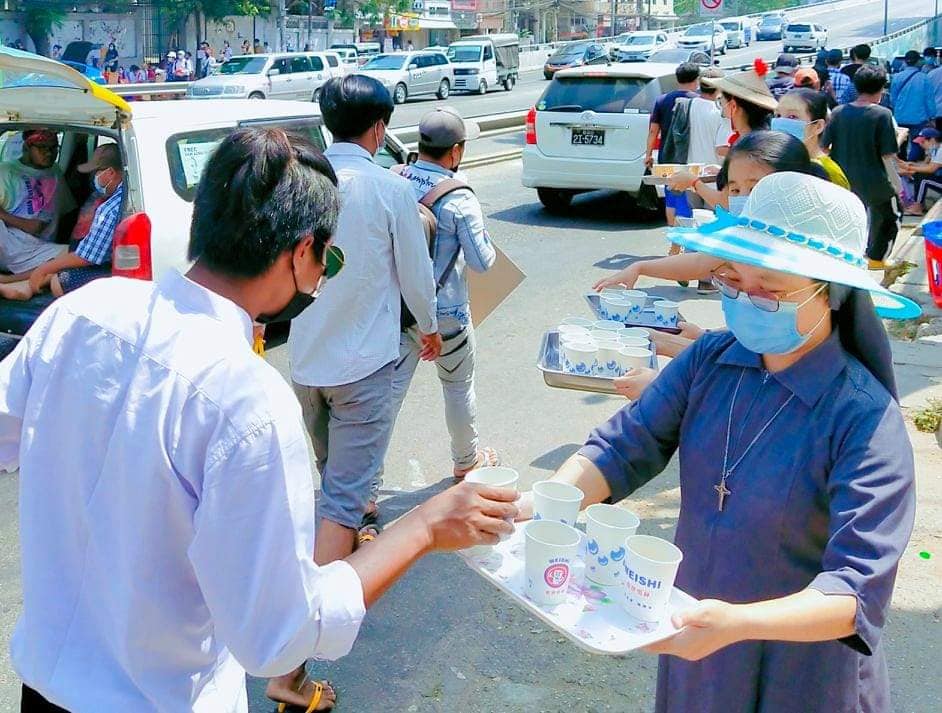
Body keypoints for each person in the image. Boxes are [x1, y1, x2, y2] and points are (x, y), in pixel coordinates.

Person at [0, 126, 518, 712]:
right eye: (328, 257)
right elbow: (278, 638)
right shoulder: (246, 400)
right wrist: (422, 528)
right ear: (300, 252)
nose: (323, 276)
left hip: (42, 688)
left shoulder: (83, 313)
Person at [524, 170, 918, 713]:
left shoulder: (863, 417)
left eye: (770, 292)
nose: (747, 299)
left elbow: (856, 589)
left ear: (830, 295)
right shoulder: (710, 360)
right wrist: (540, 505)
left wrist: (735, 623)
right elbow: (622, 447)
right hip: (699, 648)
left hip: (804, 668)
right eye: (735, 282)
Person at [284, 77, 441, 702]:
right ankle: (300, 656)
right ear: (379, 129)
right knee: (344, 496)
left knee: (332, 478)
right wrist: (429, 330)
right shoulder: (388, 187)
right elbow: (416, 273)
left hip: (306, 362)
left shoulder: (303, 182)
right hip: (365, 366)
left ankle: (341, 550)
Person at [596, 131, 827, 398]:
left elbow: (761, 366)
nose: (743, 197)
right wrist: (702, 337)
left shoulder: (797, 261)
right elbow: (701, 265)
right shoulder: (750, 239)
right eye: (735, 188)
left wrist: (664, 380)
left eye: (755, 187)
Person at [382, 106, 498, 490]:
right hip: (445, 314)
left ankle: (365, 484)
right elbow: (483, 264)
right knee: (458, 387)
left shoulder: (395, 178)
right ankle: (467, 463)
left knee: (387, 400)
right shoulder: (459, 198)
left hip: (397, 311)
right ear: (456, 151)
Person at [0, 144, 124, 302]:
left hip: (108, 267)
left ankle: (20, 285)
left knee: (61, 279)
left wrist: (44, 269)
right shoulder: (123, 195)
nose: (94, 177)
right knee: (66, 261)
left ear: (111, 172)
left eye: (96, 172)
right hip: (13, 245)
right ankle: (22, 285)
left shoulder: (109, 209)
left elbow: (86, 257)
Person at [822, 65, 901, 269]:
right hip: (876, 183)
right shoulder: (882, 114)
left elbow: (824, 148)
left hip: (844, 181)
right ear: (881, 89)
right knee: (891, 217)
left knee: (847, 222)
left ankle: (845, 257)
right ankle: (876, 258)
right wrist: (897, 184)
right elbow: (887, 155)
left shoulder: (838, 112)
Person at [668, 61, 776, 211]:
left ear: (733, 107)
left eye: (722, 102)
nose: (721, 109)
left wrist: (693, 182)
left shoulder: (746, 148)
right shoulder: (764, 141)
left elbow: (726, 203)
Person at [0, 129, 75, 275]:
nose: (49, 153)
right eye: (42, 147)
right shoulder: (6, 171)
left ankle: (9, 283)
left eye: (53, 148)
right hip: (8, 244)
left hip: (38, 249)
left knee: (78, 255)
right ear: (26, 147)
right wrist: (24, 224)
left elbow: (67, 212)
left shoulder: (55, 171)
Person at [645, 62, 701, 241]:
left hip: (666, 156)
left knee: (671, 197)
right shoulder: (698, 100)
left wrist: (648, 155)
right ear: (696, 79)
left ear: (677, 79)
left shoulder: (662, 100)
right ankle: (688, 238)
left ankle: (673, 236)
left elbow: (653, 130)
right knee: (688, 195)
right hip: (690, 156)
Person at [772, 88, 850, 189]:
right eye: (778, 115)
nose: (781, 122)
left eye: (792, 116)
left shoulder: (830, 173)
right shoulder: (774, 163)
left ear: (818, 126)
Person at [890, 50, 936, 161]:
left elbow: (893, 98)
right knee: (917, 144)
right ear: (918, 62)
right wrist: (932, 117)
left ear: (905, 62)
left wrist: (897, 110)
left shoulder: (896, 77)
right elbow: (929, 100)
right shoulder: (924, 78)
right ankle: (912, 167)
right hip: (918, 118)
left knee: (900, 144)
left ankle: (901, 166)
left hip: (900, 117)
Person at [687, 68, 730, 170]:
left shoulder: (687, 107)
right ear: (720, 86)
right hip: (714, 175)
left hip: (690, 175)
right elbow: (722, 149)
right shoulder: (722, 112)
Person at [898, 127, 942, 215]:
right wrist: (909, 165)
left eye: (923, 142)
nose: (921, 145)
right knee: (919, 175)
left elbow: (931, 169)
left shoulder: (941, 150)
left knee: (924, 179)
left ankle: (918, 206)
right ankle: (918, 204)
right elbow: (925, 165)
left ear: (932, 140)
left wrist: (909, 168)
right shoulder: (934, 150)